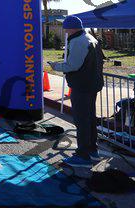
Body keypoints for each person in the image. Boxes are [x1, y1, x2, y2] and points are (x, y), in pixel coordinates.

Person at [50, 16, 104, 168]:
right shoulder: (89, 38)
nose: (65, 31)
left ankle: (83, 155)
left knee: (82, 120)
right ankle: (92, 150)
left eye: (66, 28)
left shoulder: (78, 41)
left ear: (71, 28)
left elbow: (73, 65)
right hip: (91, 84)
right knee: (89, 119)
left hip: (82, 86)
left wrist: (55, 66)